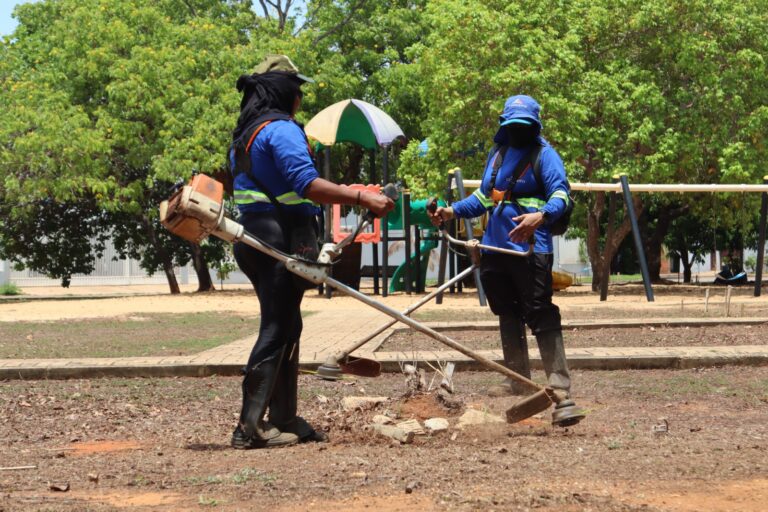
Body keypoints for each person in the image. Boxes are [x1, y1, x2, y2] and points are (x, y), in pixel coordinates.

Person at [229, 55, 394, 449]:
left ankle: (284, 417)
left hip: (255, 237)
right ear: (281, 91)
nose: (300, 98)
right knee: (277, 326)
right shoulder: (281, 130)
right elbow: (307, 184)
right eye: (296, 89)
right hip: (278, 238)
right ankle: (249, 428)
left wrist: (349, 193)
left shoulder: (246, 135)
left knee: (288, 324)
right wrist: (362, 197)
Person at [429, 94, 579, 424]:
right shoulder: (497, 155)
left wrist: (540, 216)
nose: (518, 131)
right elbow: (484, 198)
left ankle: (559, 384)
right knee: (506, 310)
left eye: (524, 126)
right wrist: (451, 211)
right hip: (495, 248)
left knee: (539, 311)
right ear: (504, 125)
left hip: (531, 249)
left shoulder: (545, 155)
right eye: (513, 125)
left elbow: (561, 194)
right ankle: (517, 378)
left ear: (535, 126)